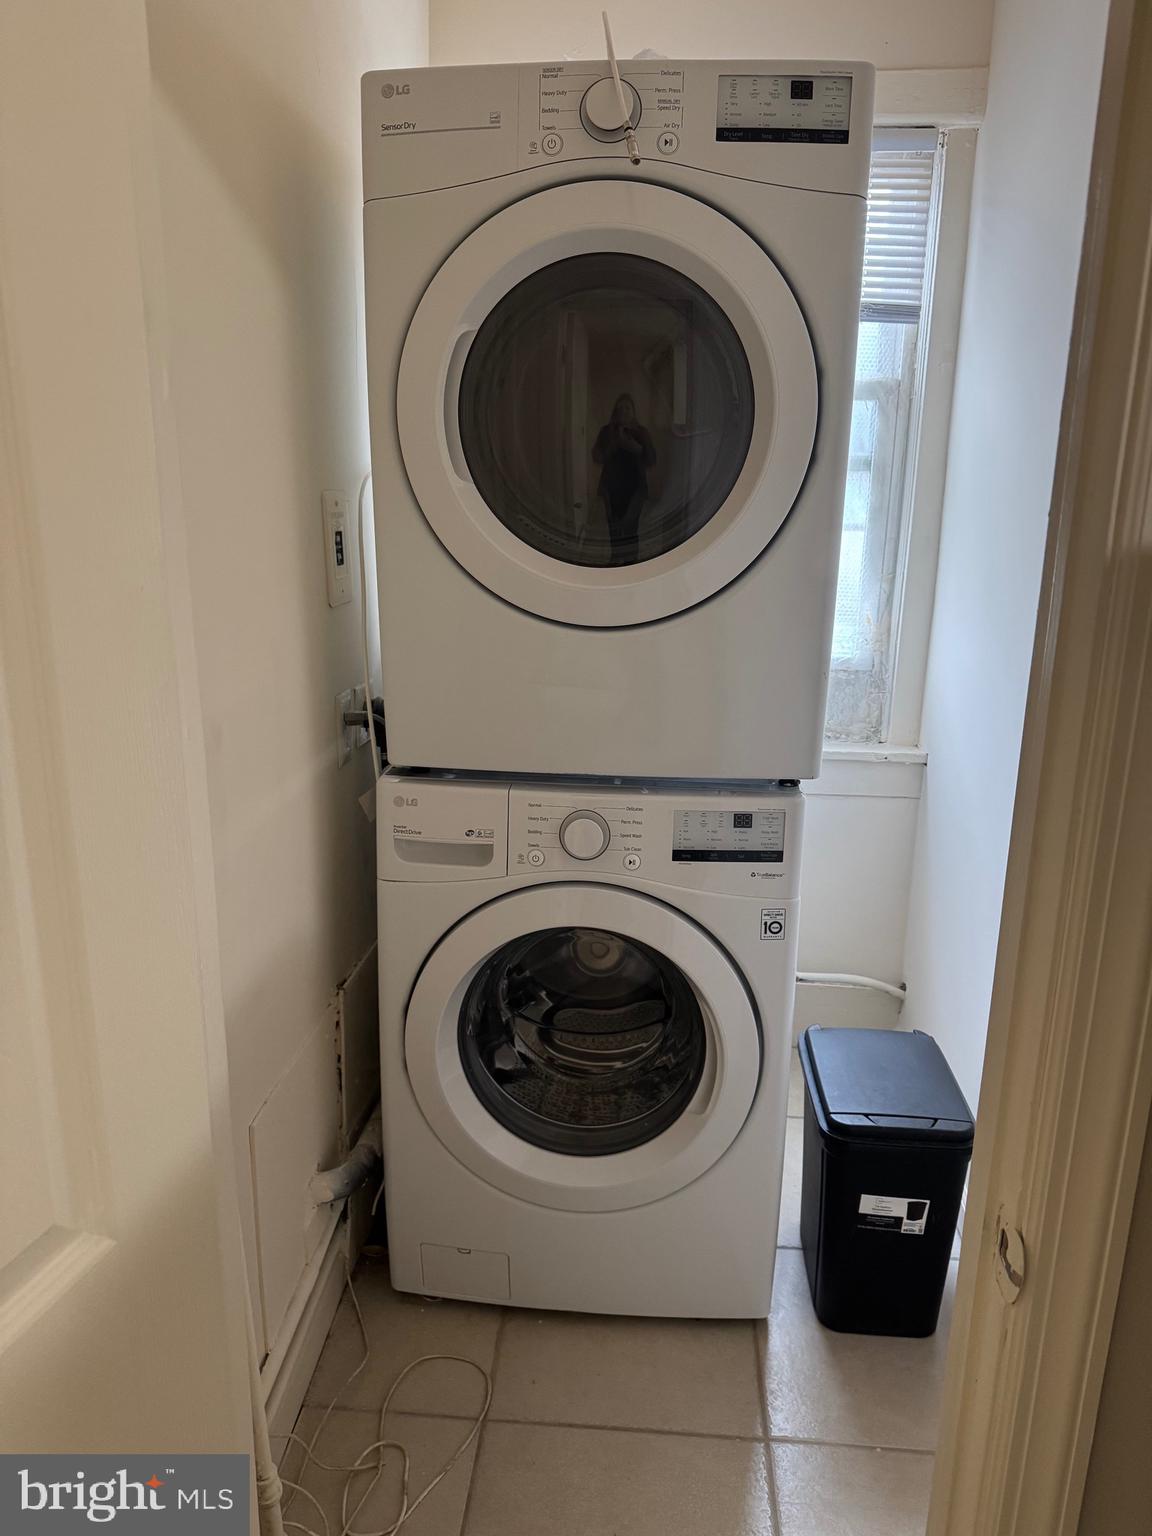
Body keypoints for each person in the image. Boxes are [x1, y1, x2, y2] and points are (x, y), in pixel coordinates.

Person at [591, 394, 656, 564]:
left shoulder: (641, 432)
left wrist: (635, 448)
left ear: (633, 411)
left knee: (631, 528)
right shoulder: (606, 431)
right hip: (610, 489)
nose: (623, 411)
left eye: (627, 407)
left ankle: (631, 564)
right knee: (613, 528)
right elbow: (596, 457)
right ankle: (615, 563)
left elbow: (651, 460)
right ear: (615, 411)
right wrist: (613, 445)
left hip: (635, 489)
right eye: (620, 408)